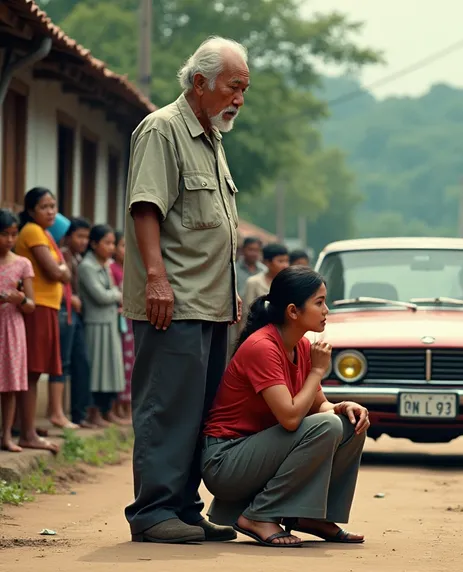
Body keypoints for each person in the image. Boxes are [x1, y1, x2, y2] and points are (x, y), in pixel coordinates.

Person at [122, 36, 247, 544]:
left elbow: (216, 225)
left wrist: (230, 288)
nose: (240, 98)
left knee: (199, 411)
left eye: (244, 89)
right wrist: (155, 277)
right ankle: (153, 512)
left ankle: (185, 507)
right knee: (166, 405)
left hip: (210, 302)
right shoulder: (162, 130)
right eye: (234, 87)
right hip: (171, 302)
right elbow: (146, 207)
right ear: (200, 83)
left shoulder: (211, 137)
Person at [202, 266, 368, 547]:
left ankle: (312, 515)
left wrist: (343, 406)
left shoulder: (301, 346)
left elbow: (320, 408)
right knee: (327, 426)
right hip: (226, 461)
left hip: (258, 454)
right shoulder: (263, 347)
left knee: (349, 424)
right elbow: (291, 419)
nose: (326, 310)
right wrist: (317, 372)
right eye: (319, 302)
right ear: (293, 311)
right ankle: (259, 515)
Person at [15, 188, 72, 452]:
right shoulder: (33, 232)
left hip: (47, 306)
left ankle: (23, 425)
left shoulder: (46, 233)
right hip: (36, 307)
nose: (51, 211)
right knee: (32, 371)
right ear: (30, 211)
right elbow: (55, 270)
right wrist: (61, 269)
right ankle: (26, 433)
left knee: (34, 371)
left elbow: (67, 273)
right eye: (44, 207)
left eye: (53, 206)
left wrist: (61, 270)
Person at [78, 225, 127, 426]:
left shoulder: (104, 264)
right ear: (94, 244)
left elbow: (112, 292)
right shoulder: (87, 266)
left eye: (112, 243)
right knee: (96, 370)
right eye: (107, 243)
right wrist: (119, 296)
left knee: (110, 369)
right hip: (95, 323)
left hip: (109, 322)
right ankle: (93, 412)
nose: (111, 247)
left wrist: (116, 296)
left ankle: (106, 410)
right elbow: (101, 295)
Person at [50, 217, 94, 428]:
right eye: (79, 236)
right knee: (64, 362)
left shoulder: (77, 257)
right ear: (67, 236)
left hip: (74, 314)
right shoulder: (63, 256)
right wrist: (72, 299)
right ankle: (61, 412)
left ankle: (78, 413)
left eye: (86, 237)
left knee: (81, 362)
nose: (84, 241)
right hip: (64, 311)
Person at [0, 209, 36, 452]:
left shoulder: (22, 263)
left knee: (10, 385)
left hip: (12, 326)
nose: (10, 240)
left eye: (14, 234)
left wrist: (20, 299)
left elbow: (32, 305)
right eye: (5, 234)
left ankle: (6, 436)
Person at [110, 231, 133, 423]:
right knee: (119, 363)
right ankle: (117, 407)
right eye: (122, 246)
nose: (126, 250)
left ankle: (128, 407)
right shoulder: (112, 269)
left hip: (131, 322)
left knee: (131, 363)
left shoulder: (132, 268)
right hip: (118, 321)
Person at [243, 243, 290, 309]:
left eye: (287, 261)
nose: (285, 265)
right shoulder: (253, 282)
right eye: (280, 261)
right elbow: (247, 311)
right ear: (267, 262)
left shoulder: (289, 282)